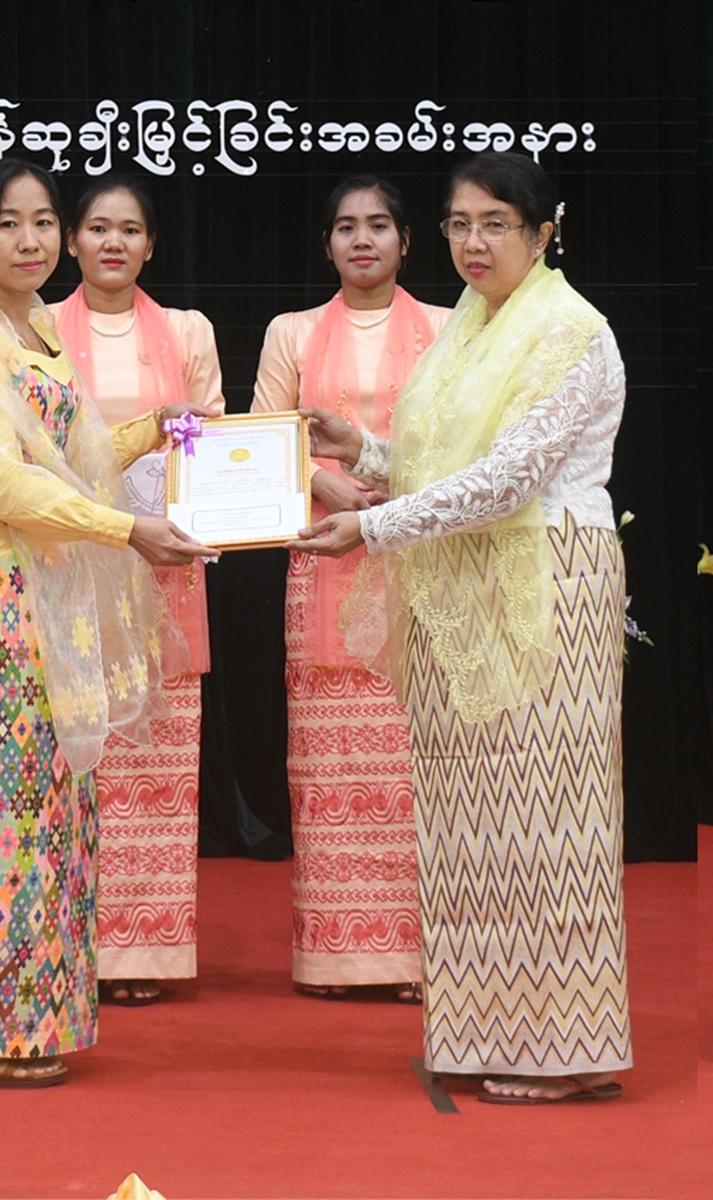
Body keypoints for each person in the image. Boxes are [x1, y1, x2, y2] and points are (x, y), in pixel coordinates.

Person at [292, 152, 631, 1105]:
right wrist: (364, 450)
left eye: (496, 224)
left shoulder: (568, 329)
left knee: (549, 812)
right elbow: (447, 462)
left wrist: (372, 526)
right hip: (463, 585)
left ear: (542, 232)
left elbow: (510, 478)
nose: (474, 243)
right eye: (459, 224)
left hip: (548, 581)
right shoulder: (470, 328)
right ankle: (490, 1033)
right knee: (471, 821)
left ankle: (564, 1048)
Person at [0, 160, 217, 1087]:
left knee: (50, 807)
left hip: (43, 591)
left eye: (44, 221)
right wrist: (126, 529)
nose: (31, 240)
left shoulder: (38, 330)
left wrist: (153, 427)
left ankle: (14, 1022)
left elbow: (71, 460)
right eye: (8, 223)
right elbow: (3, 482)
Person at [251, 176, 453, 1003]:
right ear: (328, 244)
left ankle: (416, 959)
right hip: (324, 557)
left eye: (377, 225)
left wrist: (388, 486)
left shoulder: (449, 327)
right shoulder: (291, 332)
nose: (361, 240)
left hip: (422, 558)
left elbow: (465, 444)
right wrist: (322, 482)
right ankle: (336, 957)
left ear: (406, 240)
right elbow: (259, 439)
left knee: (418, 764)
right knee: (330, 763)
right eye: (345, 227)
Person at [56, 176, 227, 1008]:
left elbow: (212, 435)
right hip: (70, 560)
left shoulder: (187, 331)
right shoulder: (38, 328)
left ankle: (144, 952)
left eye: (130, 230)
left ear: (151, 245)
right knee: (80, 763)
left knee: (156, 767)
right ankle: (69, 945)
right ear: (72, 242)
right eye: (97, 228)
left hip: (163, 564)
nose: (113, 243)